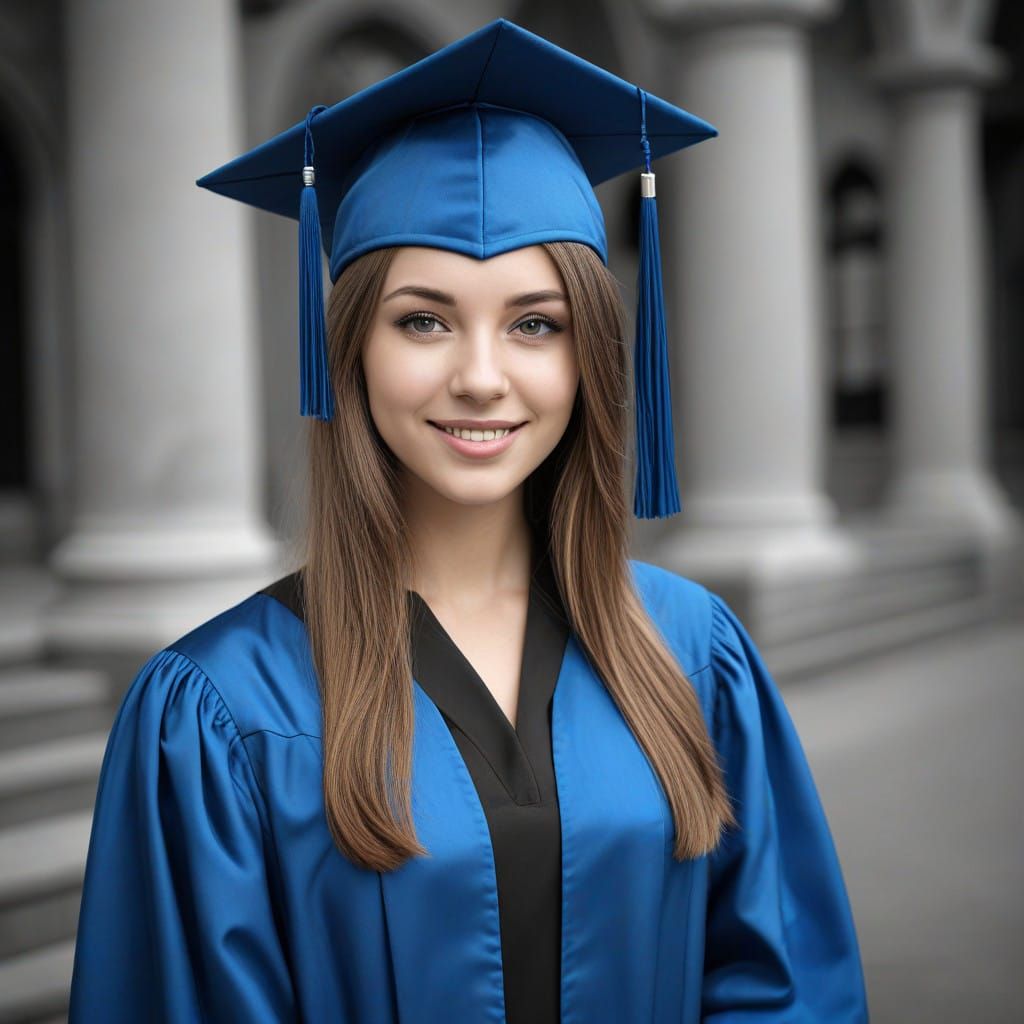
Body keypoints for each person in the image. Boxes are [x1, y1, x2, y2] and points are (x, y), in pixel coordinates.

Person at [68, 17, 869, 1023]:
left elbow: (780, 988)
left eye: (536, 323)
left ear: (591, 361)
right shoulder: (216, 709)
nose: (481, 377)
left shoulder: (694, 652)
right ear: (350, 349)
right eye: (423, 319)